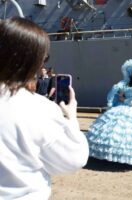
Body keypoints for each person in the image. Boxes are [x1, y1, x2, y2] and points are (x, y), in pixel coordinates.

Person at [0, 17, 89, 199]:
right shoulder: (39, 109)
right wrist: (71, 119)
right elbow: (73, 159)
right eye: (44, 58)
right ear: (32, 60)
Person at [86, 58, 132, 165]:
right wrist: (119, 99)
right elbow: (116, 92)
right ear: (131, 75)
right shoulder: (125, 84)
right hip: (124, 107)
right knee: (118, 130)